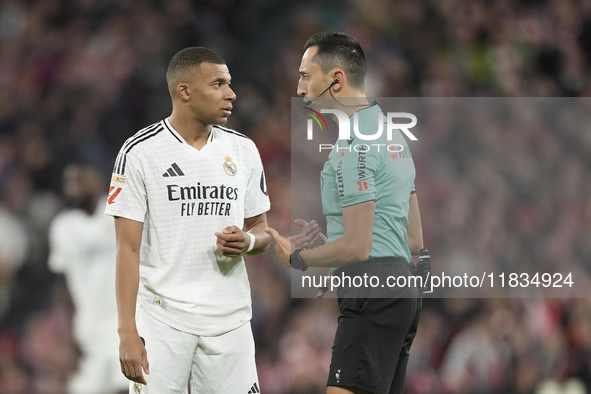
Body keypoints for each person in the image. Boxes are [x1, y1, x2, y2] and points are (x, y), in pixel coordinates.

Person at [105, 47, 271, 394]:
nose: (231, 94)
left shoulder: (244, 150)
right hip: (163, 319)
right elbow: (127, 248)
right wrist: (127, 332)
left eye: (229, 84)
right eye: (218, 84)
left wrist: (249, 241)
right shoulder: (139, 153)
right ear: (185, 91)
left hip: (230, 319)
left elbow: (262, 229)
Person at [265, 31, 424, 394]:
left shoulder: (354, 147)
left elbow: (357, 248)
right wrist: (333, 242)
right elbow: (412, 239)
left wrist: (299, 258)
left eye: (306, 76)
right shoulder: (393, 134)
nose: (300, 89)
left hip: (371, 288)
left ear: (336, 78)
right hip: (401, 289)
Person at [48, 163, 129, 394]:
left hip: (123, 323)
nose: (74, 186)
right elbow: (63, 283)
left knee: (127, 385)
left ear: (96, 180)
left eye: (80, 179)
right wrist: (69, 332)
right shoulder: (62, 227)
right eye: (69, 181)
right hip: (88, 329)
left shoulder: (120, 213)